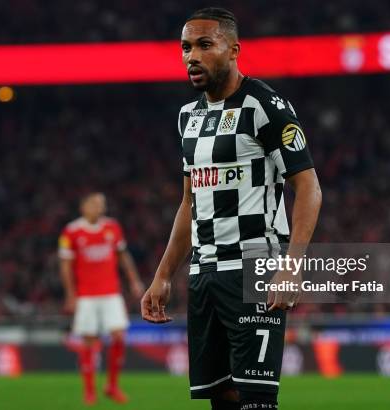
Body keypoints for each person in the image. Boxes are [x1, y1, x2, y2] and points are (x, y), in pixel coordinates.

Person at [141, 8, 322, 410]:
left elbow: (308, 187)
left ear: (234, 49)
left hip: (252, 270)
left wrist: (291, 266)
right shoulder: (188, 118)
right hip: (204, 276)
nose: (192, 56)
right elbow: (189, 203)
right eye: (186, 47)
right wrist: (163, 275)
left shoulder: (266, 105)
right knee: (221, 400)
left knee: (256, 402)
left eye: (205, 45)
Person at [59, 192, 144, 405]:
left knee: (119, 336)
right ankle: (89, 390)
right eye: (95, 203)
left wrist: (134, 281)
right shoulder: (72, 231)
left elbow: (123, 255)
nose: (100, 207)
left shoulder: (112, 227)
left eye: (102, 204)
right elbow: (65, 266)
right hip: (86, 295)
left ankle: (112, 386)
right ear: (84, 207)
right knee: (88, 340)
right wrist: (70, 293)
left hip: (111, 292)